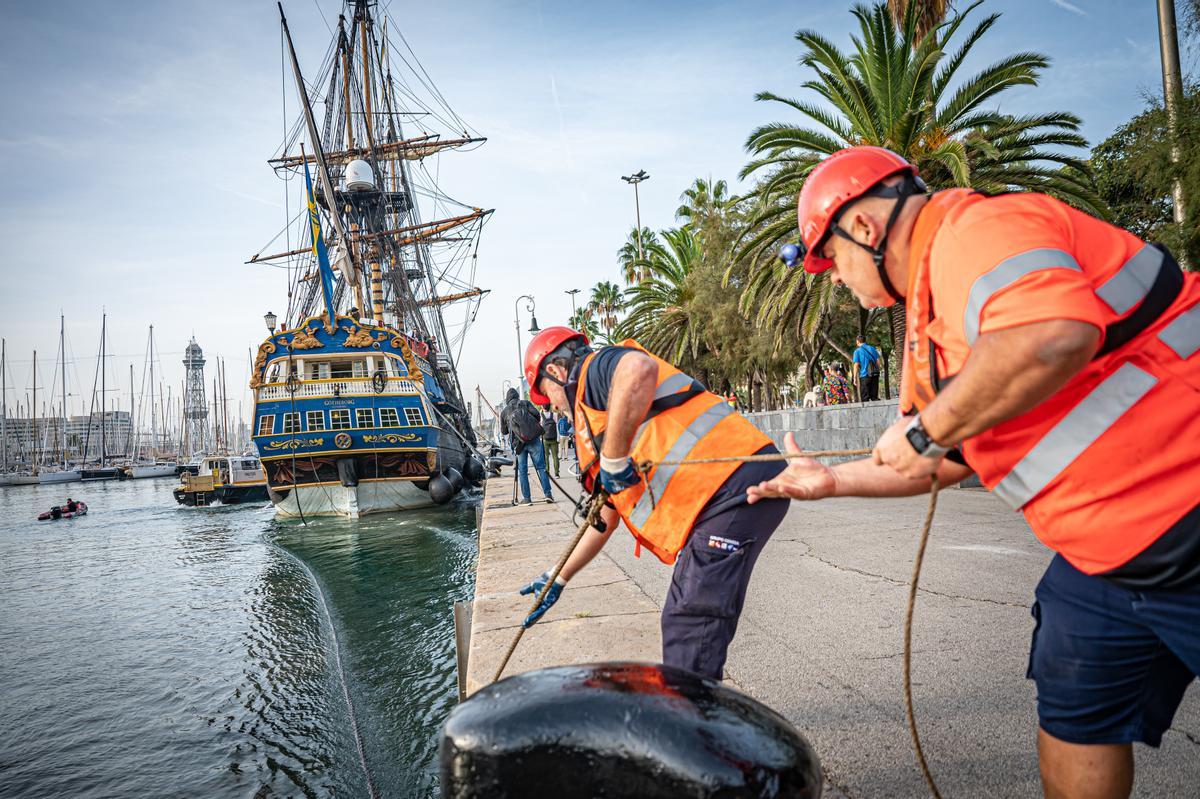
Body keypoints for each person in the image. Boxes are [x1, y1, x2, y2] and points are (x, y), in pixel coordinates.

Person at [758, 145, 1200, 799]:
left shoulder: (973, 231)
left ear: (866, 227)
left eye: (828, 257)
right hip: (1106, 556)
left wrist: (926, 428)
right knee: (1075, 710)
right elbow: (940, 460)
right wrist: (833, 479)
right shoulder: (928, 329)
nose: (830, 276)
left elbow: (1050, 333)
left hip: (1187, 517)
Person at [519, 326, 791, 680]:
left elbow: (639, 370)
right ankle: (696, 709)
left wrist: (614, 461)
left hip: (736, 485)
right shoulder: (600, 419)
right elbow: (604, 517)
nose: (552, 406)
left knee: (690, 622)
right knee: (686, 618)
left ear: (555, 372)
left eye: (546, 394)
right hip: (724, 495)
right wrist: (558, 576)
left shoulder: (596, 370)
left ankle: (692, 721)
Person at [499, 387, 554, 505]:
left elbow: (504, 432)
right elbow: (537, 416)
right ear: (517, 396)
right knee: (541, 467)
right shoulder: (525, 403)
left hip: (519, 444)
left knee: (522, 471)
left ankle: (527, 499)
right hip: (534, 439)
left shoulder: (504, 412)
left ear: (507, 399)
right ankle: (548, 494)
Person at [852, 335, 882, 401]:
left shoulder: (857, 351)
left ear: (857, 341)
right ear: (865, 341)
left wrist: (854, 378)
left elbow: (856, 365)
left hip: (865, 375)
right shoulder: (872, 349)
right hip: (875, 374)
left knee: (865, 398)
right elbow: (878, 361)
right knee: (874, 397)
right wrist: (877, 370)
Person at [541, 408, 560, 478]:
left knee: (546, 457)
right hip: (554, 439)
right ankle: (556, 473)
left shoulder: (541, 415)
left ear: (543, 408)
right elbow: (557, 427)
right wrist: (558, 438)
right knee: (555, 457)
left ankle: (547, 472)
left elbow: (540, 427)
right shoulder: (554, 415)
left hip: (545, 439)